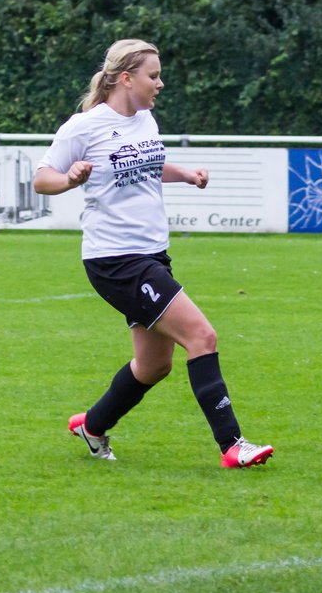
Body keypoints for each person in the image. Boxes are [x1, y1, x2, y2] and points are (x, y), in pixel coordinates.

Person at [33, 39, 273, 468]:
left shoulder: (145, 119)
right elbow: (42, 179)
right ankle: (233, 445)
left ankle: (93, 425)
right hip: (116, 260)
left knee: (153, 365)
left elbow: (147, 163)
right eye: (153, 75)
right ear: (126, 78)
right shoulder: (84, 127)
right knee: (202, 336)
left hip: (151, 255)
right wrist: (69, 178)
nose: (159, 83)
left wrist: (184, 174)